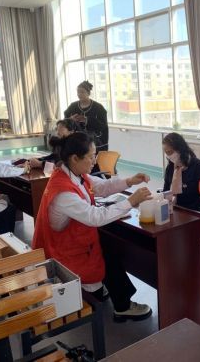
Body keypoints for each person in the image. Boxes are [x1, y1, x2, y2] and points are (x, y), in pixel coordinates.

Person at [32, 132, 153, 321]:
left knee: (110, 246)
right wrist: (130, 201)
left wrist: (129, 181)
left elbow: (101, 187)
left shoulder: (71, 174)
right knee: (109, 253)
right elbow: (95, 217)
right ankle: (122, 306)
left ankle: (116, 297)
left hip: (68, 242)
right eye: (91, 156)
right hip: (61, 252)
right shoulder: (63, 191)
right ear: (75, 158)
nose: (94, 161)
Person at [161, 132, 200, 237]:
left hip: (196, 212)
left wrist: (183, 209)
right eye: (166, 153)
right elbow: (166, 191)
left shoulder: (198, 166)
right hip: (176, 210)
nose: (169, 156)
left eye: (170, 152)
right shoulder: (170, 168)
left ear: (180, 149)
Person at [64, 80, 109, 151]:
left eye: (82, 92)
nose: (79, 94)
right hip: (78, 141)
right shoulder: (73, 106)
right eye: (78, 92)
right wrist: (71, 119)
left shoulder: (98, 107)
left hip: (95, 142)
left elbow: (103, 126)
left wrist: (86, 120)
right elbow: (65, 120)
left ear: (88, 93)